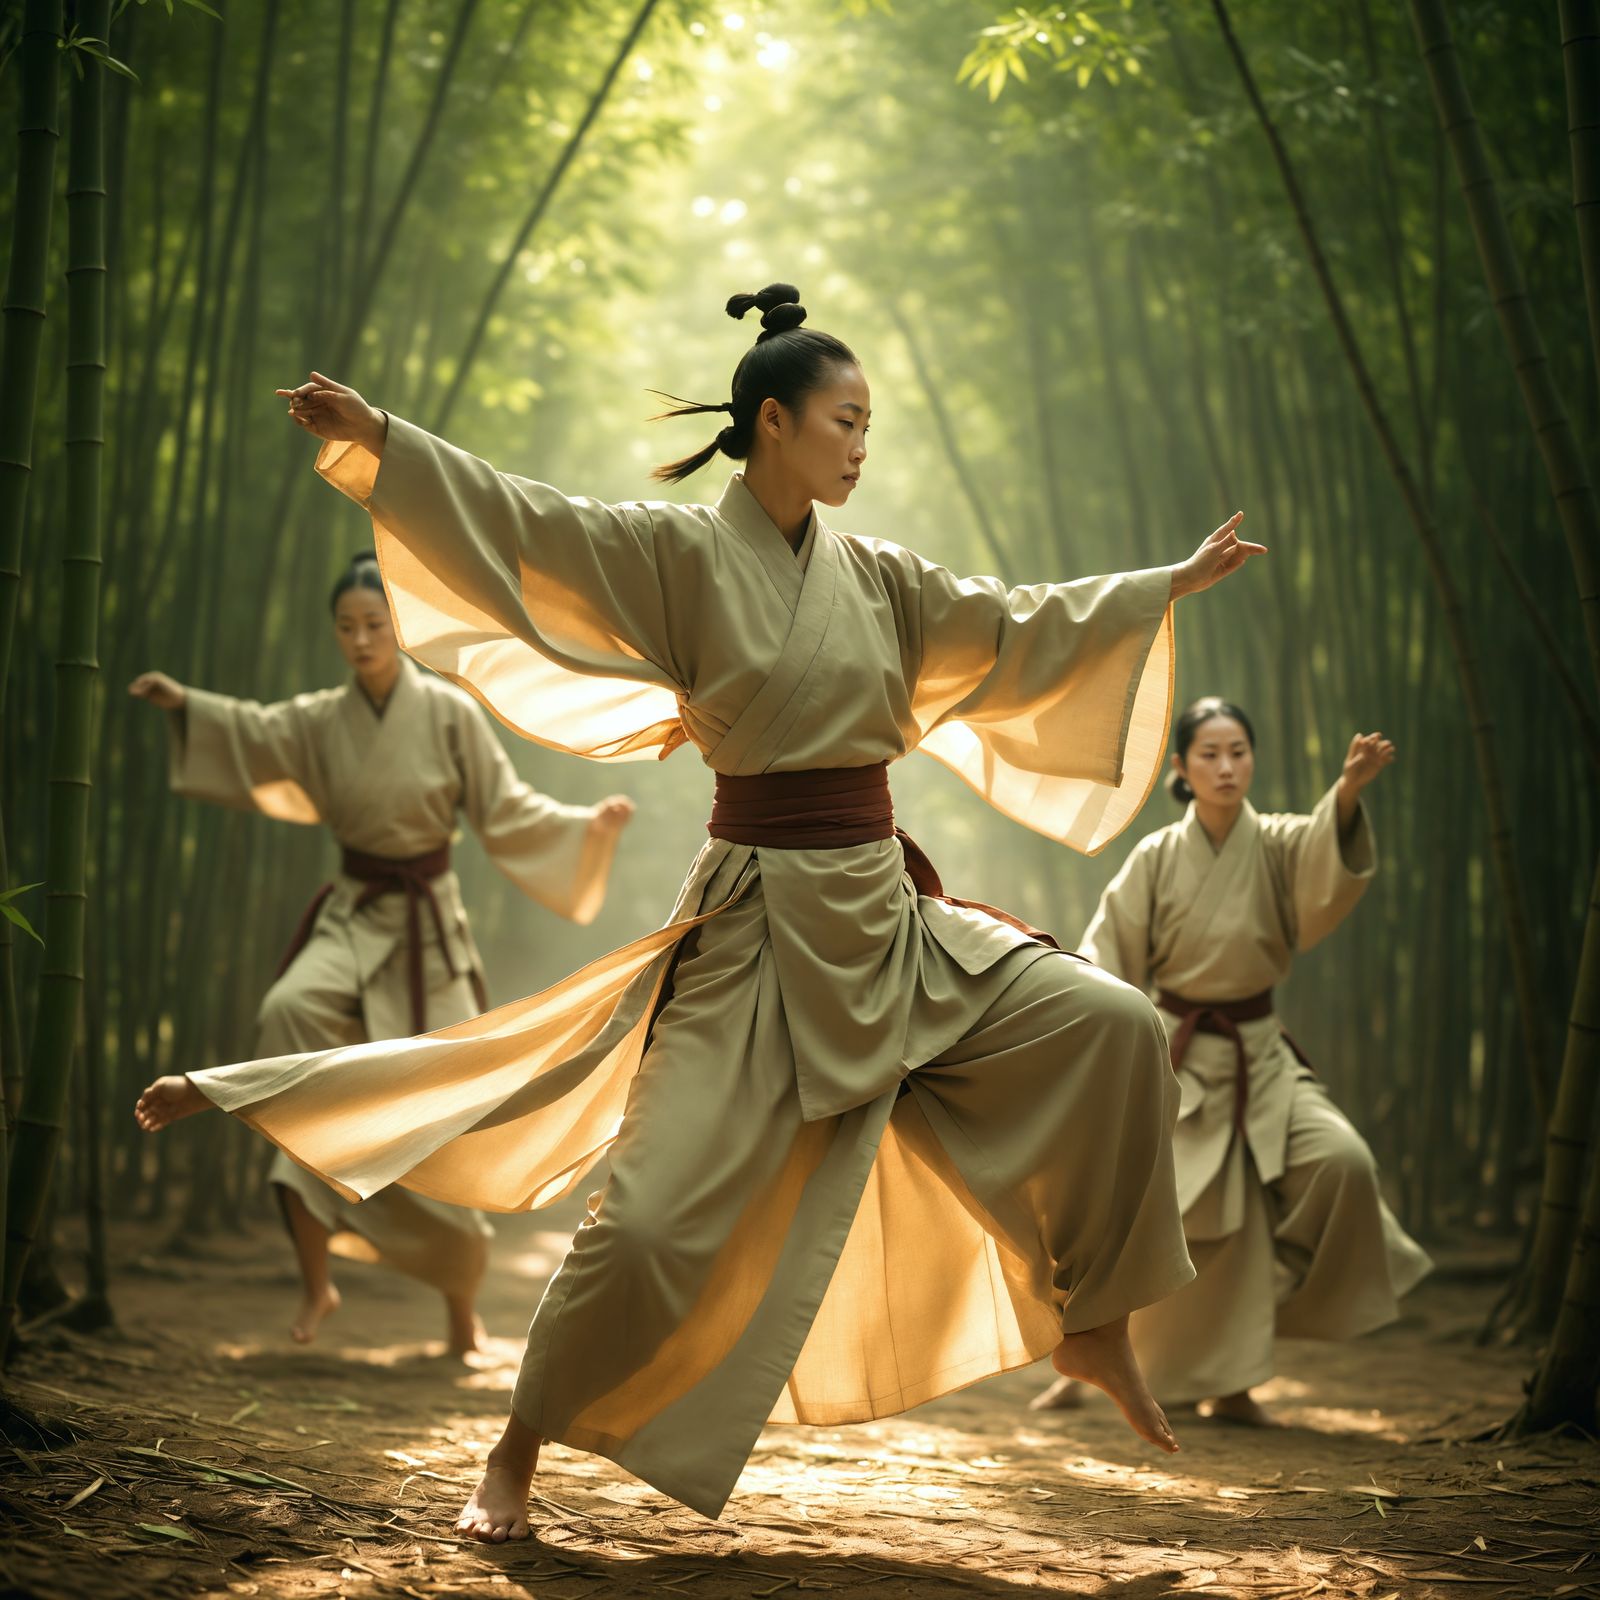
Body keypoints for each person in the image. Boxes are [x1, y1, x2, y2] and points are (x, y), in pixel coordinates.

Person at [137, 282, 1264, 1535]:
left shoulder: (878, 576)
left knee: (1106, 1023)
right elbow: (528, 524)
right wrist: (383, 440)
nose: (861, 442)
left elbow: (1010, 625)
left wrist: (1165, 581)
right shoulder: (674, 555)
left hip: (886, 916)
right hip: (747, 934)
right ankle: (514, 1447)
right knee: (645, 1231)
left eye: (869, 423)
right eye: (845, 418)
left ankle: (1092, 1320)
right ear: (772, 421)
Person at [129, 554, 634, 1353]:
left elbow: (508, 808)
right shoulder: (320, 720)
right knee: (285, 1011)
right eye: (347, 627)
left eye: (375, 625)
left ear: (398, 629)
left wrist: (589, 829)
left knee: (442, 1115)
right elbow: (252, 728)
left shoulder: (449, 715)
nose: (361, 640)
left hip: (427, 925)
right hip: (351, 914)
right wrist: (183, 703)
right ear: (334, 633)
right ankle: (314, 1278)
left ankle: (461, 1316)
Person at [1031, 696, 1432, 1423]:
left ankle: (1251, 1358)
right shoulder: (1156, 856)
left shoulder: (1276, 842)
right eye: (1209, 754)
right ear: (1180, 768)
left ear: (1253, 759)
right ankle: (1134, 1370)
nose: (1226, 766)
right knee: (1182, 1218)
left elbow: (1322, 863)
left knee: (1344, 1164)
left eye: (1238, 751)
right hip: (1176, 1053)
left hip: (1260, 1055)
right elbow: (1107, 954)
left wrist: (1345, 792)